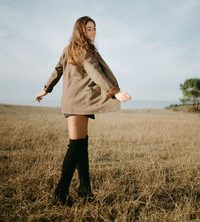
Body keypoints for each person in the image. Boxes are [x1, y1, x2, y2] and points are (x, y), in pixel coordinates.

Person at [35, 16, 132, 206]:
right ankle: (60, 193)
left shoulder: (68, 49)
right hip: (80, 101)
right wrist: (115, 91)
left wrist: (46, 89)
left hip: (73, 101)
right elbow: (95, 72)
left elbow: (57, 70)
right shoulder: (85, 50)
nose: (93, 32)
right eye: (89, 29)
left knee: (81, 146)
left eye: (94, 28)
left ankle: (85, 191)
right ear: (80, 30)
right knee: (76, 146)